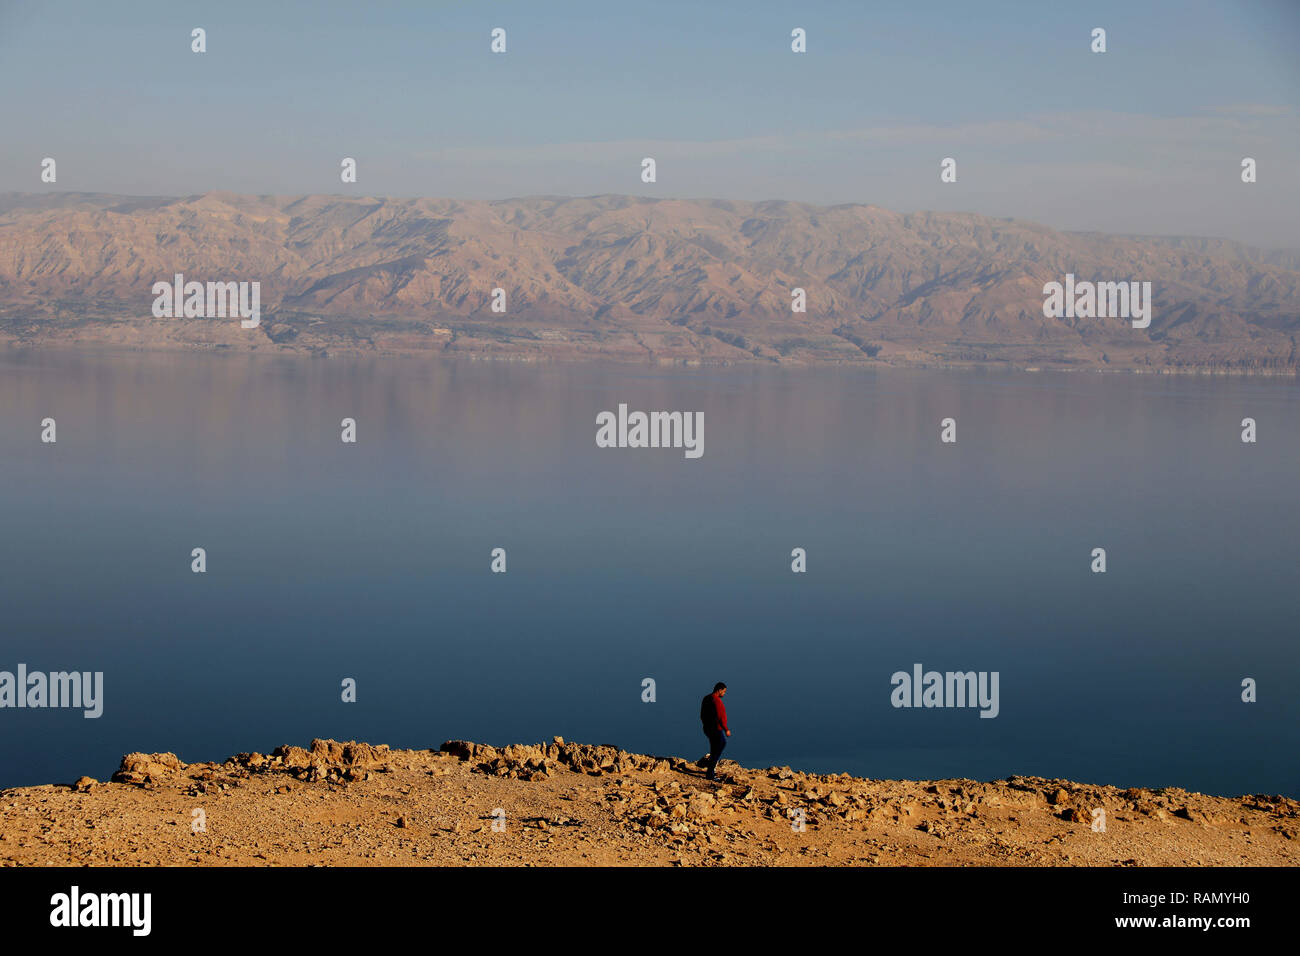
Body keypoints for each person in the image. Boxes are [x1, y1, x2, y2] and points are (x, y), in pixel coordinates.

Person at [699, 682, 730, 780]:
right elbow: (721, 716)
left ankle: (710, 766)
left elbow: (702, 714)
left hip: (707, 728)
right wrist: (726, 729)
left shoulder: (706, 698)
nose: (724, 694)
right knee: (720, 745)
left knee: (715, 747)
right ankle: (710, 771)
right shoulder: (716, 701)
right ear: (719, 690)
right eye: (724, 691)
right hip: (716, 729)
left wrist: (705, 724)